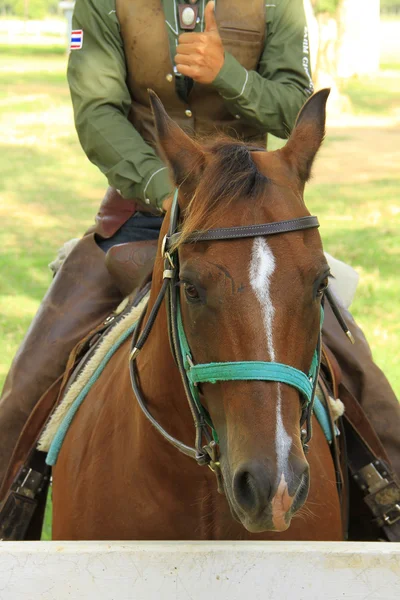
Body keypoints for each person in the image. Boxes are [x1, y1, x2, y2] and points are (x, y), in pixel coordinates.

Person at [0, 0, 399, 500]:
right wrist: (167, 189)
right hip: (142, 212)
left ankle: (386, 525)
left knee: (367, 386)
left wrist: (225, 72)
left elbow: (291, 106)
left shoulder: (277, 4)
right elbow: (97, 112)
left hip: (251, 221)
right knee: (25, 388)